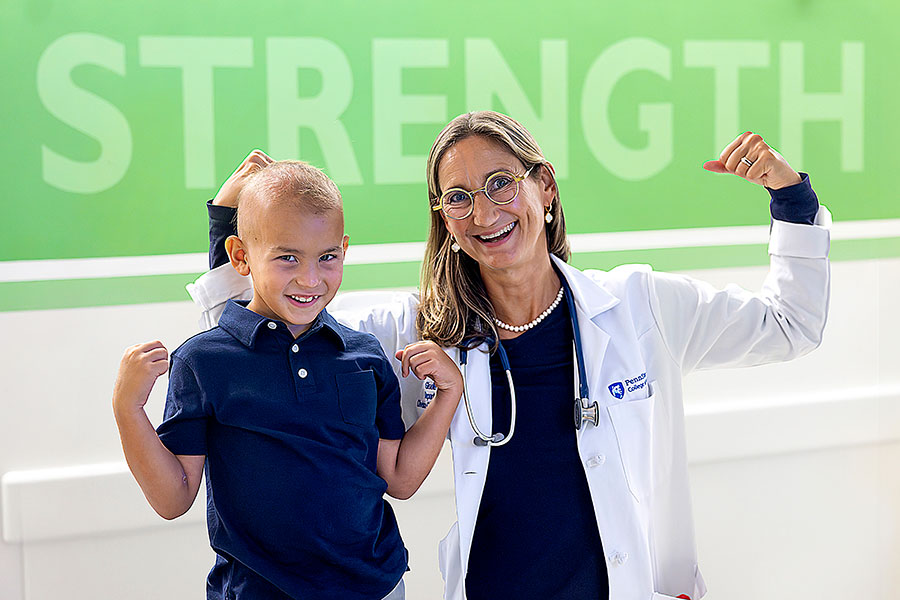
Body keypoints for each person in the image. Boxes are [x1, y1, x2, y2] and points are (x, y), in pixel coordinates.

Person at [190, 112, 830, 600]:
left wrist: (790, 197)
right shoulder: (417, 331)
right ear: (444, 216)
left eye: (501, 183)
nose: (484, 211)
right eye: (459, 196)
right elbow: (256, 354)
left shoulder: (639, 306)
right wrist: (229, 231)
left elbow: (791, 325)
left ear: (543, 188)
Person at [112, 160, 464, 600]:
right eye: (287, 257)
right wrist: (128, 409)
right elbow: (172, 499)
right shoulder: (202, 361)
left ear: (344, 249)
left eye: (327, 257)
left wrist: (448, 394)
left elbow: (399, 478)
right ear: (241, 256)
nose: (310, 279)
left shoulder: (365, 355)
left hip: (376, 589)